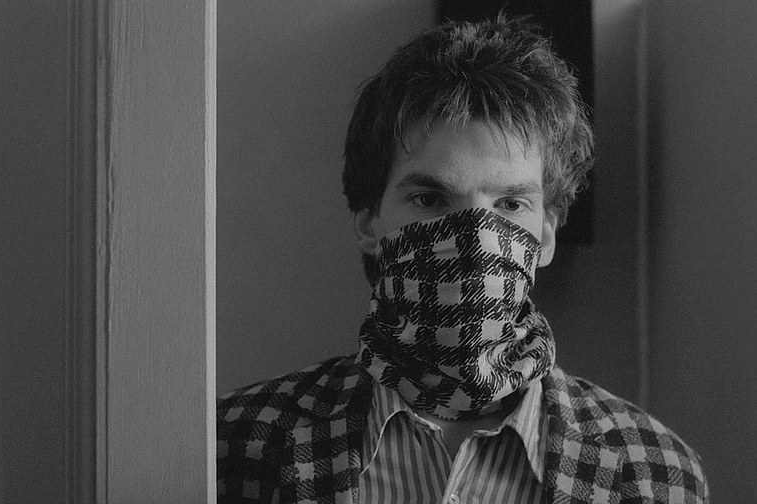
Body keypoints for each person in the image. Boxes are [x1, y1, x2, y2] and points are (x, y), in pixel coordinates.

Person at [217, 16, 708, 504]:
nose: (474, 237)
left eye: (510, 204)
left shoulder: (654, 474)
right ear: (369, 223)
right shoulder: (235, 448)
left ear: (546, 234)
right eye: (430, 199)